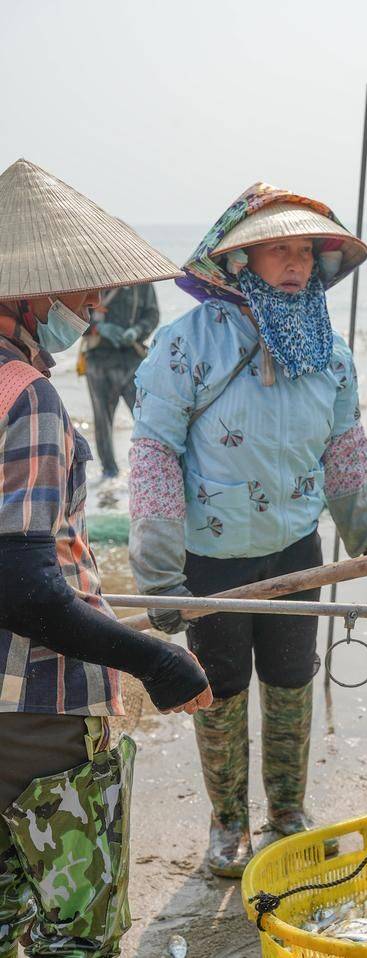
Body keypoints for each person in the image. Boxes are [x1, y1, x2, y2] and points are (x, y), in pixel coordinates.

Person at [128, 182, 367, 877]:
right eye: (278, 248)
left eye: (305, 250)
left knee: (290, 678)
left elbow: (347, 451)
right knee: (218, 688)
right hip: (211, 560)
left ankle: (286, 814)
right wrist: (160, 572)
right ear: (243, 259)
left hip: (297, 549)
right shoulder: (190, 342)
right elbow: (154, 449)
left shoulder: (329, 352)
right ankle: (226, 825)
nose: (294, 262)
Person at [0, 158, 212, 958]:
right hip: (35, 706)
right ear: (25, 293)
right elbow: (22, 588)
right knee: (74, 931)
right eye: (80, 291)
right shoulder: (28, 395)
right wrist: (154, 660)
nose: (95, 308)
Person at [83, 284, 160, 479]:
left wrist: (137, 330)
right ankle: (109, 472)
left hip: (133, 359)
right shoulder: (93, 281)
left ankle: (151, 467)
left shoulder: (143, 283)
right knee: (102, 419)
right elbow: (74, 316)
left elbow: (152, 314)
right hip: (99, 360)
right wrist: (98, 327)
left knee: (145, 417)